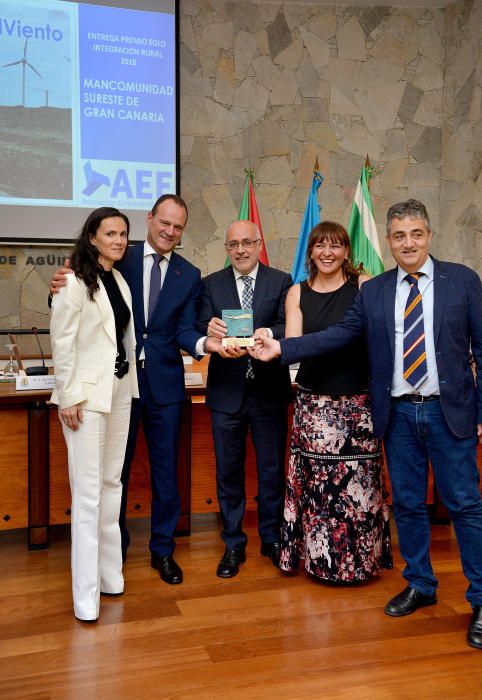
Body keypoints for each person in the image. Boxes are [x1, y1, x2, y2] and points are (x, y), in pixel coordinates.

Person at [250, 199, 482, 649]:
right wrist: (282, 350)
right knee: (406, 505)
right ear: (388, 241)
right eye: (399, 236)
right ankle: (421, 585)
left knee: (464, 505)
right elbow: (338, 334)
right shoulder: (375, 290)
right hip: (398, 413)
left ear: (428, 235)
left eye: (416, 234)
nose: (408, 243)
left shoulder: (462, 281)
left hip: (449, 412)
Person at [51, 194, 218, 585]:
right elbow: (73, 295)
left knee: (166, 474)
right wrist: (58, 282)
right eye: (164, 222)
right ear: (150, 219)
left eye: (178, 226)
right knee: (115, 473)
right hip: (115, 387)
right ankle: (116, 550)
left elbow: (184, 330)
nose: (169, 231)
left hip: (164, 387)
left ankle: (162, 550)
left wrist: (203, 345)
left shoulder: (189, 275)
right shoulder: (119, 251)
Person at [281, 221, 393, 582]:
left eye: (335, 245)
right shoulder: (296, 293)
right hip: (315, 407)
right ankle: (321, 563)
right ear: (310, 252)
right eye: (319, 245)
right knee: (318, 490)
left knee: (360, 490)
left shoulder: (365, 288)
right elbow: (294, 348)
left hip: (359, 406)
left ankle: (361, 564)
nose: (327, 252)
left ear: (347, 251)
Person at [50, 207, 139, 622]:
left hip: (120, 391)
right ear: (91, 237)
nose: (119, 240)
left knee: (111, 486)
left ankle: (109, 577)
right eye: (110, 233)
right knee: (87, 497)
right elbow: (62, 342)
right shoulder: (72, 281)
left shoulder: (118, 279)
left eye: (123, 233)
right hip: (84, 398)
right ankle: (85, 598)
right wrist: (67, 396)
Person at [197, 220, 292, 578]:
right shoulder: (210, 284)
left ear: (259, 244)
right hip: (227, 394)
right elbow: (197, 326)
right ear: (227, 248)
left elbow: (289, 326)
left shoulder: (281, 281)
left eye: (247, 243)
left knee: (271, 471)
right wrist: (210, 331)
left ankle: (271, 538)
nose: (240, 250)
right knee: (229, 473)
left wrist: (269, 332)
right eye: (233, 244)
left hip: (268, 392)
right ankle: (233, 543)